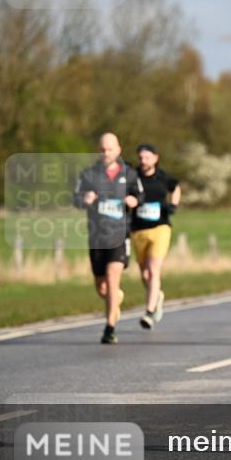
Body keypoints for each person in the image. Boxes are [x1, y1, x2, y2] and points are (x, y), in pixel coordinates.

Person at [74, 133, 143, 344]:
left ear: (118, 150)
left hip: (119, 235)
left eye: (110, 149)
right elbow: (75, 198)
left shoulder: (129, 174)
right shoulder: (88, 174)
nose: (106, 153)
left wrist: (134, 200)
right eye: (103, 149)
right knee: (102, 287)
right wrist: (84, 199)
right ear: (98, 150)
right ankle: (115, 300)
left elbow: (140, 196)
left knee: (113, 279)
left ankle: (110, 328)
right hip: (96, 237)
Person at [130, 143, 180, 330]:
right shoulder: (133, 177)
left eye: (147, 157)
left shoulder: (163, 177)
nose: (144, 161)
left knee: (153, 269)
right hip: (138, 229)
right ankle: (156, 295)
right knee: (144, 274)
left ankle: (149, 312)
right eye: (141, 158)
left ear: (155, 158)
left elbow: (176, 187)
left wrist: (173, 204)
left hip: (160, 228)